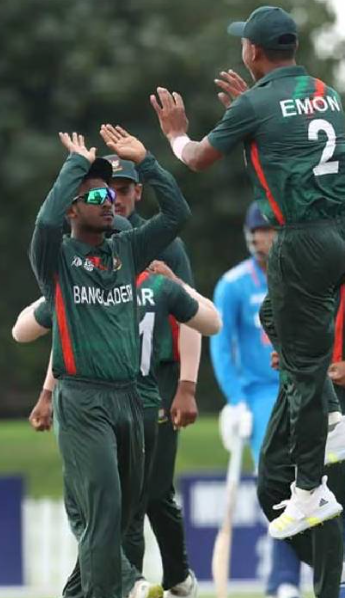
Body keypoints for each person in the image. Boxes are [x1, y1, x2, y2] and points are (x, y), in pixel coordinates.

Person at [151, 5, 345, 543]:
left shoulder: (258, 103)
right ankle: (334, 420)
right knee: (274, 317)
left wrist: (176, 134)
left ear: (252, 51)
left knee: (304, 367)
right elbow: (289, 138)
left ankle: (310, 489)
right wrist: (252, 111)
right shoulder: (326, 92)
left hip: (303, 238)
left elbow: (198, 158)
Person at [15, 219, 220, 598]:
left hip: (93, 406)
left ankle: (129, 582)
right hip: (146, 408)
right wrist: (179, 283)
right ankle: (123, 583)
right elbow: (212, 322)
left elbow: (22, 330)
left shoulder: (80, 286)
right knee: (130, 514)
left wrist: (51, 289)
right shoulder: (158, 285)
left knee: (88, 512)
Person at [29, 126, 190, 598]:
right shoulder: (56, 259)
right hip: (84, 400)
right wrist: (75, 165)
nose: (110, 202)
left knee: (121, 520)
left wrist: (148, 161)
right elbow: (44, 223)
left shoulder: (127, 249)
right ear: (71, 208)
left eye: (112, 194)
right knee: (103, 513)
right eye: (96, 196)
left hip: (130, 399)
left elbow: (177, 214)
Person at [212, 203, 345, 598]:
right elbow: (222, 346)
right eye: (257, 232)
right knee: (278, 486)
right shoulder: (234, 283)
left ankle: (296, 579)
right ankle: (291, 579)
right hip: (260, 393)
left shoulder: (307, 265)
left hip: (305, 382)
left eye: (268, 230)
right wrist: (236, 400)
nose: (263, 239)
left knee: (305, 488)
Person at [106, 155, 202, 596]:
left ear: (138, 192)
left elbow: (192, 314)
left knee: (154, 487)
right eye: (106, 191)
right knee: (127, 489)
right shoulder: (88, 243)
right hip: (106, 381)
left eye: (123, 190)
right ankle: (139, 581)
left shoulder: (164, 243)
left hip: (158, 376)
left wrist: (187, 385)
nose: (114, 199)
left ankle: (173, 575)